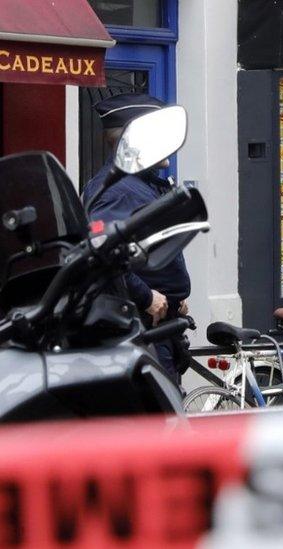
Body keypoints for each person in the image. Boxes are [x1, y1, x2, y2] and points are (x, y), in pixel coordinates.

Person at [82, 93, 191, 384]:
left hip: (161, 326)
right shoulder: (116, 190)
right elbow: (100, 253)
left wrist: (174, 297)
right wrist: (146, 297)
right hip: (142, 328)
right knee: (159, 424)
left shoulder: (144, 185)